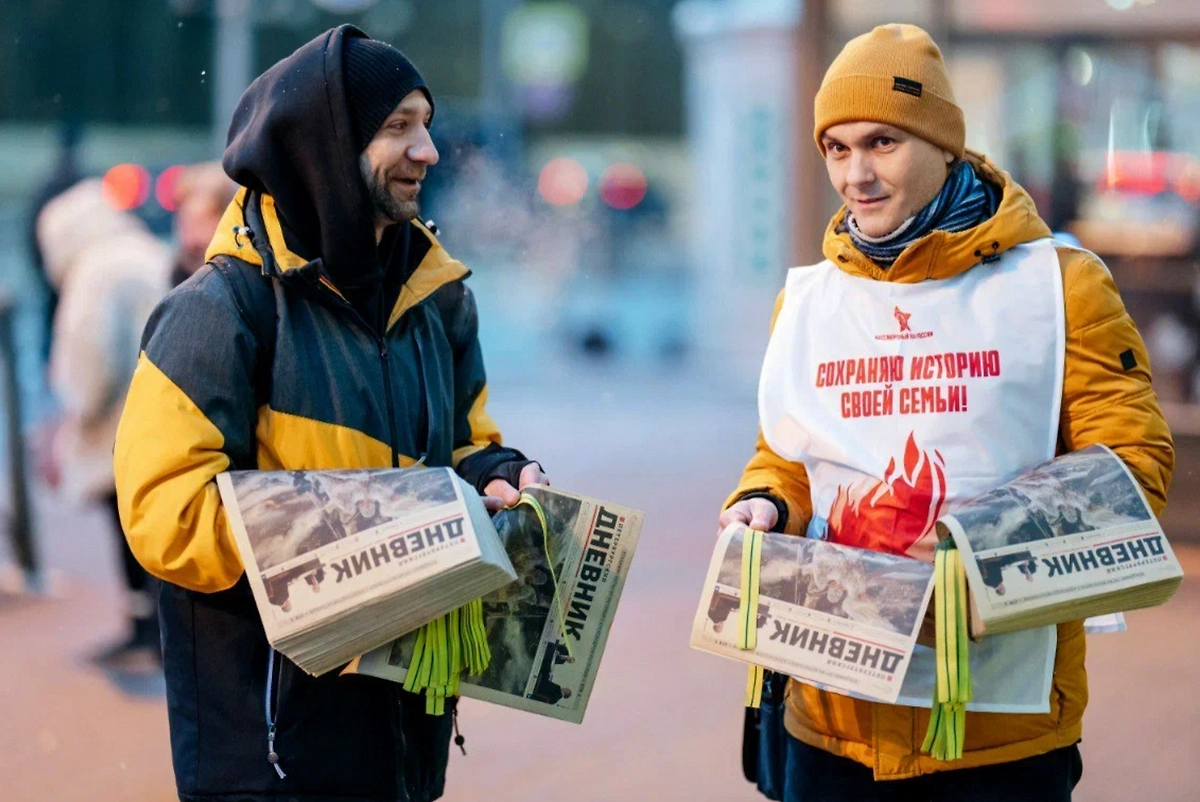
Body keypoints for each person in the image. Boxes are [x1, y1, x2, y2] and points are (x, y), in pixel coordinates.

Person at [719, 24, 1173, 801]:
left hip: (1000, 726)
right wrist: (762, 502)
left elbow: (1134, 469)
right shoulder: (808, 301)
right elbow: (789, 457)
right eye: (836, 148)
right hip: (831, 719)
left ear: (942, 143)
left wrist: (980, 545)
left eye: (882, 142)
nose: (856, 174)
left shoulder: (1060, 286)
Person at [113, 26, 546, 802]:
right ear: (325, 147)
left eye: (427, 124)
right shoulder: (219, 310)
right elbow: (164, 516)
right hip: (270, 752)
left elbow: (462, 446)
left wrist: (497, 476)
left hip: (406, 733)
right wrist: (365, 526)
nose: (428, 150)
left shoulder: (439, 300)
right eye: (398, 126)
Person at [37, 178, 173, 668]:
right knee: (159, 526)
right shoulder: (145, 252)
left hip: (117, 423)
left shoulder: (95, 272)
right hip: (162, 412)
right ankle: (161, 629)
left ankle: (144, 630)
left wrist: (75, 414)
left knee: (127, 529)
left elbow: (90, 360)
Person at [170, 161, 236, 286]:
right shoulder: (178, 275)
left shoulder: (239, 278)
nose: (190, 240)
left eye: (200, 222)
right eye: (185, 224)